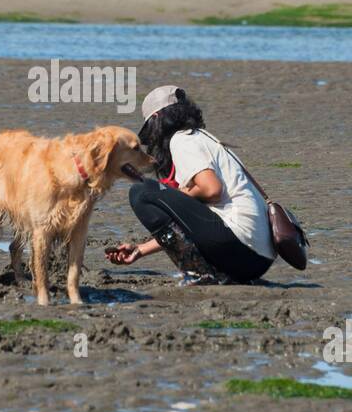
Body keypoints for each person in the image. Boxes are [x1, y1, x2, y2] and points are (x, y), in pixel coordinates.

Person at [105, 86, 275, 285]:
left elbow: (211, 189)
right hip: (257, 261)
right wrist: (140, 250)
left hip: (238, 245)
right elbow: (192, 220)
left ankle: (196, 272)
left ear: (157, 119)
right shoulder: (205, 139)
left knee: (141, 191)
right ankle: (209, 272)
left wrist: (177, 193)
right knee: (165, 195)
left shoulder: (182, 140)